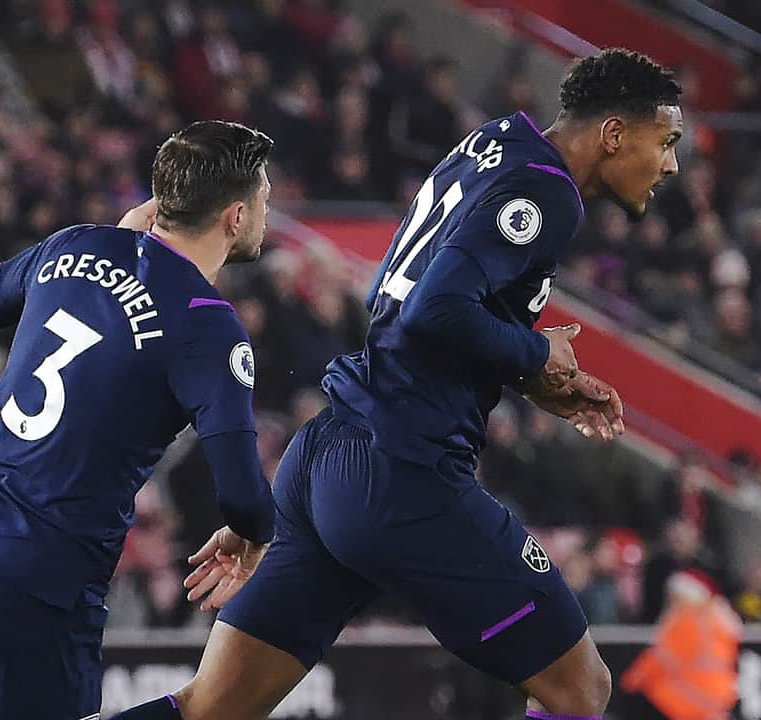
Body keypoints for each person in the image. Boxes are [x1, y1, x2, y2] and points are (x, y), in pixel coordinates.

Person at [116, 48, 682, 720]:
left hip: (329, 455)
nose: (671, 163)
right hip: (403, 470)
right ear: (614, 133)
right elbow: (435, 310)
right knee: (578, 689)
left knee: (209, 708)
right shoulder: (548, 192)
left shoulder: (495, 142)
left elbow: (429, 313)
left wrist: (532, 375)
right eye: (666, 141)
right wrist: (533, 354)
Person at [0, 120, 277, 720]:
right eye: (265, 200)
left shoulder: (75, 244)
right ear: (236, 216)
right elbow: (242, 495)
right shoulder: (206, 323)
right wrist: (254, 536)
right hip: (37, 573)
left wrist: (109, 246)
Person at [619, 569, 741, 720]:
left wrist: (631, 681)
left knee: (642, 696)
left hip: (691, 696)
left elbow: (660, 660)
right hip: (721, 697)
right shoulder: (719, 619)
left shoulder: (686, 621)